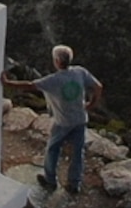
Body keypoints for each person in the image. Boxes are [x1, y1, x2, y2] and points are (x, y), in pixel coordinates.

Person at [6, 45, 103, 195]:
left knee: (52, 149)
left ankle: (50, 180)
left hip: (62, 122)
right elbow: (98, 87)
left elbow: (30, 85)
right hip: (80, 119)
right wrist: (92, 104)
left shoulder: (53, 80)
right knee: (78, 152)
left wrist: (7, 83)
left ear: (57, 61)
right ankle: (74, 184)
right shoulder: (80, 72)